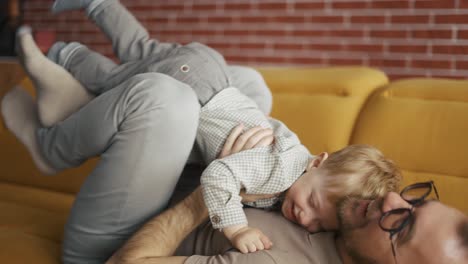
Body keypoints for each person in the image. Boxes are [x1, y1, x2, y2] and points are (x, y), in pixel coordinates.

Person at [43, 0, 402, 253]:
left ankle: (98, 4)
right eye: (311, 201)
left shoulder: (297, 163)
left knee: (141, 48)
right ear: (318, 161)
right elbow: (218, 178)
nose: (304, 217)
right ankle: (66, 54)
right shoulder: (277, 171)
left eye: (319, 224)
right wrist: (236, 228)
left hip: (206, 72)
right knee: (113, 81)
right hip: (192, 86)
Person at [106, 180, 468, 264]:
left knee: (162, 99)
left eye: (402, 223)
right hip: (166, 176)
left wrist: (215, 192)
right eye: (415, 199)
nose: (392, 198)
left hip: (117, 223)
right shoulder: (347, 218)